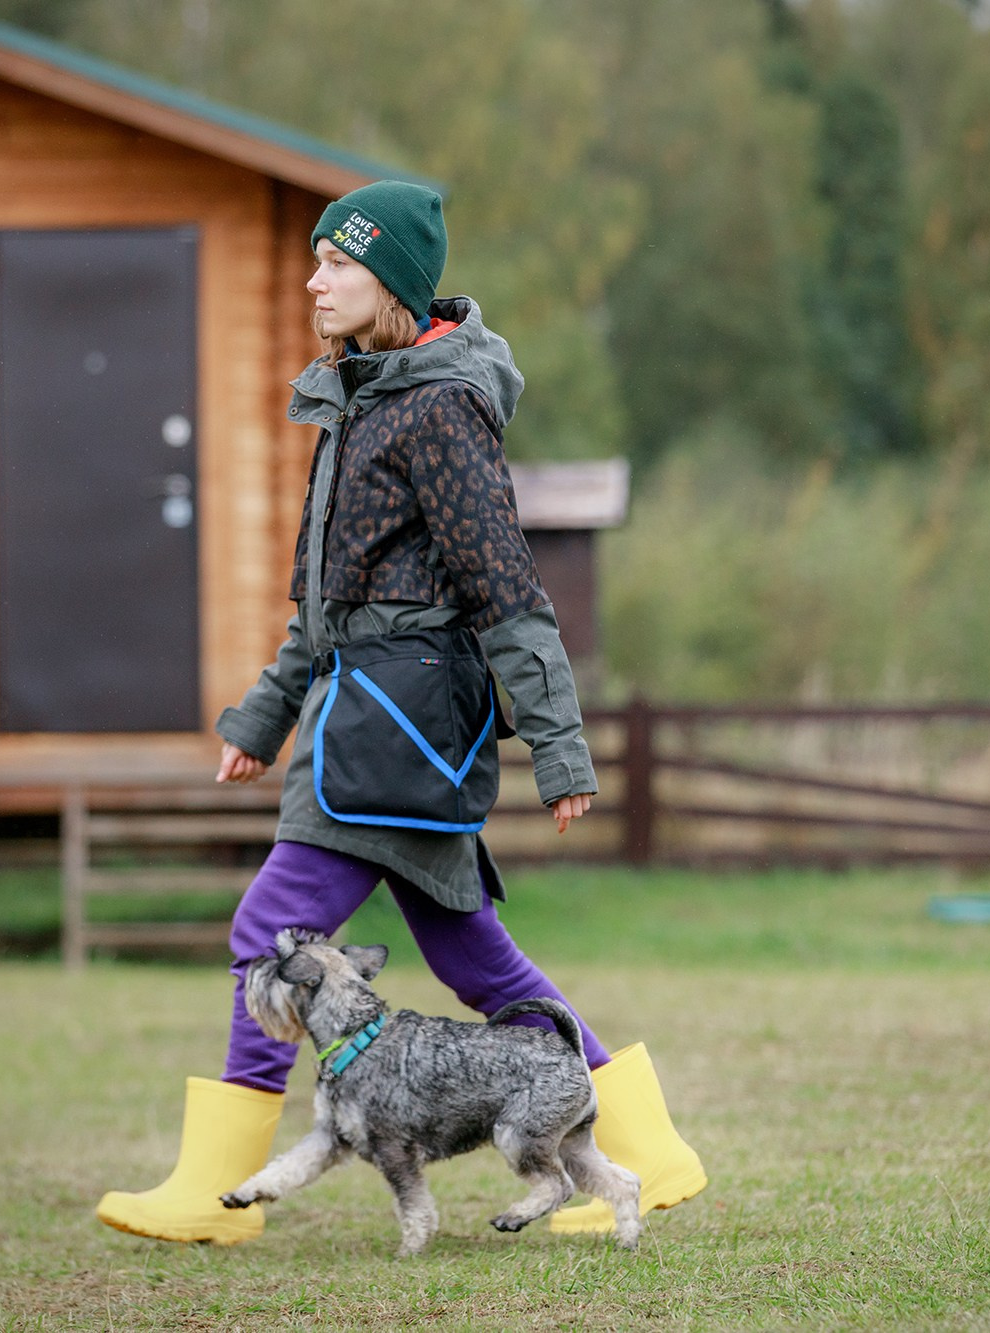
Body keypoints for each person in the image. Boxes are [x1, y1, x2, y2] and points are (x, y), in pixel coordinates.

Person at [94, 181, 704, 1245]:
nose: (311, 280)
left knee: (262, 933)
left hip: (399, 734)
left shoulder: (439, 408)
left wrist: (559, 748)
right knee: (479, 964)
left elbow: (506, 586)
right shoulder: (358, 399)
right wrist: (261, 718)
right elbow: (326, 607)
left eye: (336, 262)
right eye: (314, 260)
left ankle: (216, 1192)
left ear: (394, 283)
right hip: (361, 726)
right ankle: (643, 1151)